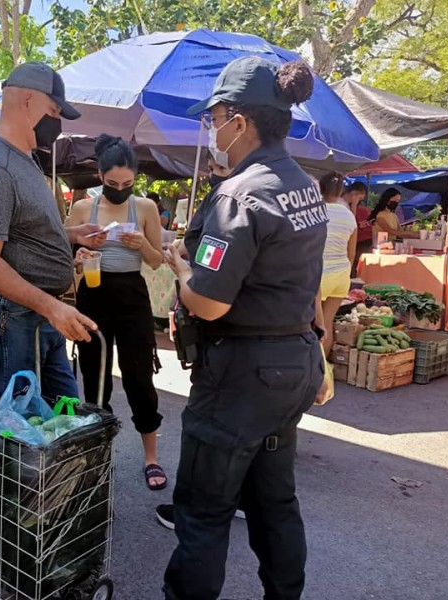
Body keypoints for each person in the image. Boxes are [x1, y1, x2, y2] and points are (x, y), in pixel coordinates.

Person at [159, 58, 326, 600]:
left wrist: (182, 272)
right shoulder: (303, 186)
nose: (211, 131)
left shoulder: (240, 194)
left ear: (239, 120)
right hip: (292, 361)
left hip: (242, 374)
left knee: (204, 512)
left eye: (214, 119)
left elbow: (206, 304)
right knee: (274, 501)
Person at [0, 62, 104, 400]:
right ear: (28, 101)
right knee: (12, 431)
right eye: (53, 111)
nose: (56, 123)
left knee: (63, 416)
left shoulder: (24, 158)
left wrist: (71, 235)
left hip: (36, 315)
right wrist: (51, 307)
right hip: (13, 316)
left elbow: (19, 228)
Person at [68, 134, 166, 490]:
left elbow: (157, 262)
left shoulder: (144, 208)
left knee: (139, 378)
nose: (120, 189)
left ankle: (151, 457)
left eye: (127, 184)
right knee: (95, 380)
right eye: (112, 184)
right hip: (94, 295)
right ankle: (96, 457)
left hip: (132, 297)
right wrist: (79, 258)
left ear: (135, 180)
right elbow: (73, 265)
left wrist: (142, 245)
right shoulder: (83, 208)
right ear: (99, 176)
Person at [319, 171, 357, 353]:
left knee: (312, 326)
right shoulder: (349, 215)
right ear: (341, 191)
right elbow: (352, 254)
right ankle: (324, 371)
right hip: (341, 275)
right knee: (327, 323)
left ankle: (312, 375)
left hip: (318, 275)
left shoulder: (314, 211)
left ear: (320, 188)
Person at [342, 181, 371, 277]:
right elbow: (352, 223)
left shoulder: (346, 205)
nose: (359, 202)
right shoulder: (343, 205)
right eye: (359, 198)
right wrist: (354, 205)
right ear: (354, 193)